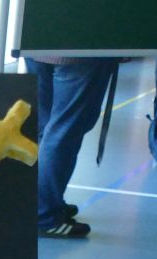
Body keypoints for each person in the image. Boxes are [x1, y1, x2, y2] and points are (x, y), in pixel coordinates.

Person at [31, 56, 119, 239]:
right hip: (82, 52)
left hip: (37, 49)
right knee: (63, 131)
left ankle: (43, 202)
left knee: (45, 128)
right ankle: (45, 216)